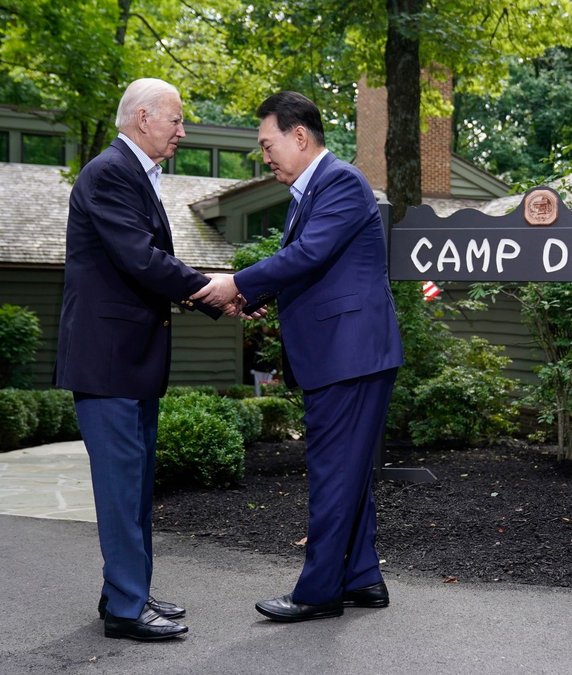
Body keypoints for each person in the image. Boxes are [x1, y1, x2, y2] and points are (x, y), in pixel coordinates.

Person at [191, 91, 404, 622]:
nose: (264, 156)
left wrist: (236, 284)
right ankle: (362, 578)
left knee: (333, 473)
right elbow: (306, 265)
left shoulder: (341, 182)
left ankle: (318, 591)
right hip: (344, 354)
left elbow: (308, 254)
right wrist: (254, 297)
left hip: (349, 355)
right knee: (349, 471)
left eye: (268, 144)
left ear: (300, 136)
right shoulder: (309, 193)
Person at [55, 77, 231, 641]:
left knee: (133, 487)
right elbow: (141, 259)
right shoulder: (109, 173)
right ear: (143, 118)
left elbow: (143, 264)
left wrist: (212, 297)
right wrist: (212, 291)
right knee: (120, 489)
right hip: (109, 363)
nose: (182, 131)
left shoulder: (133, 175)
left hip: (131, 362)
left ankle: (124, 593)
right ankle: (127, 611)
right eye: (176, 120)